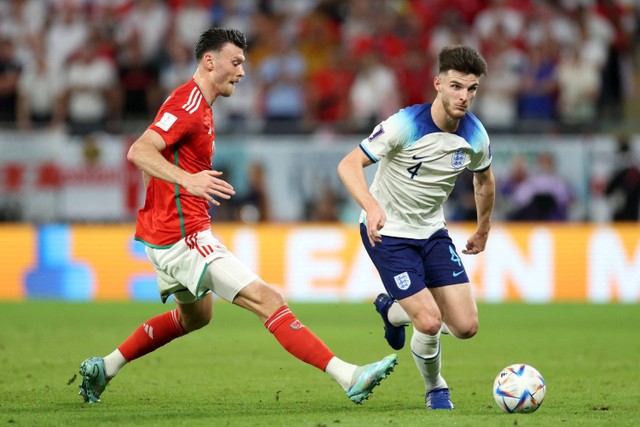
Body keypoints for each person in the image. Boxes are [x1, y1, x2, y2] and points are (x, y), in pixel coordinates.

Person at [78, 27, 397, 405]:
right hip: (184, 236)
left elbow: (154, 157)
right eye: (236, 62)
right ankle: (349, 376)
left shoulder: (194, 103)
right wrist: (186, 181)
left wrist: (167, 190)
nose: (242, 72)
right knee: (269, 299)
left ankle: (105, 367)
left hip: (163, 234)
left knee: (196, 317)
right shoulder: (189, 104)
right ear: (209, 61)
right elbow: (139, 151)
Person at [337, 45, 495, 410]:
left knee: (466, 327)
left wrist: (483, 227)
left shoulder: (475, 135)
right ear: (438, 83)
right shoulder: (403, 125)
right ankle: (435, 387)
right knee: (427, 320)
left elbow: (484, 181)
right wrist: (371, 206)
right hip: (388, 234)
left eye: (471, 89)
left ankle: (390, 309)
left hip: (433, 233)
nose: (464, 97)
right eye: (456, 86)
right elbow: (348, 165)